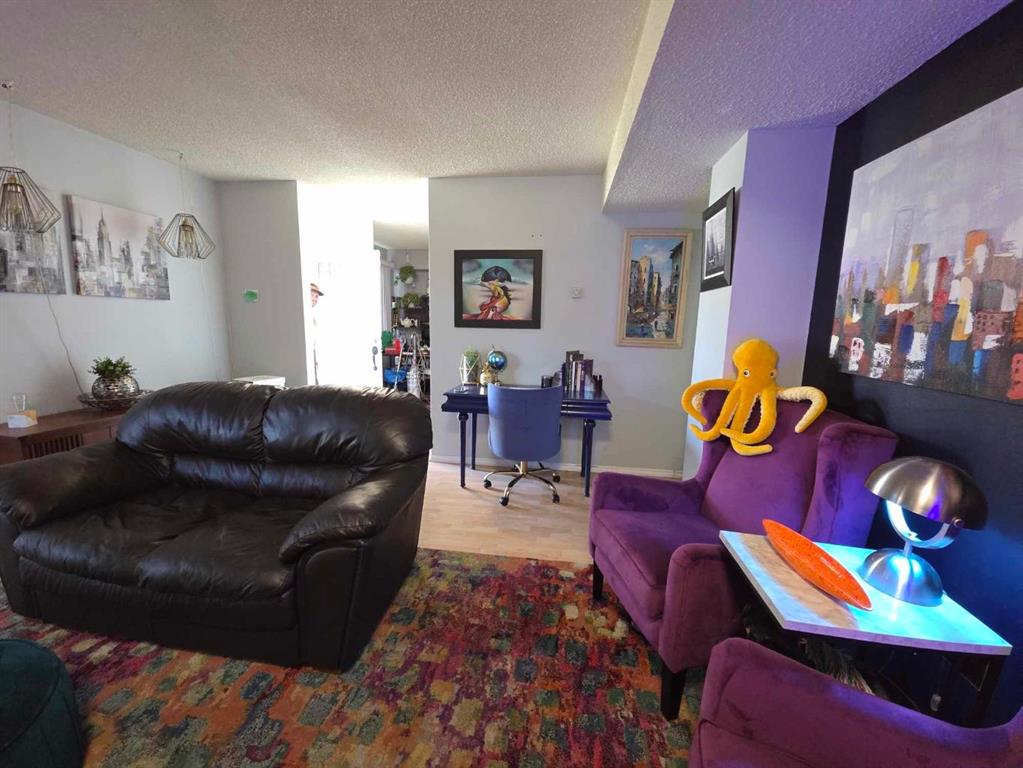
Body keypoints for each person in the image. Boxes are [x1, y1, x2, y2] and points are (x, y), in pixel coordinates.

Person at [310, 283, 324, 383]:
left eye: (316, 296)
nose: (315, 299)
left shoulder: (313, 314)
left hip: (314, 354)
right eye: (312, 295)